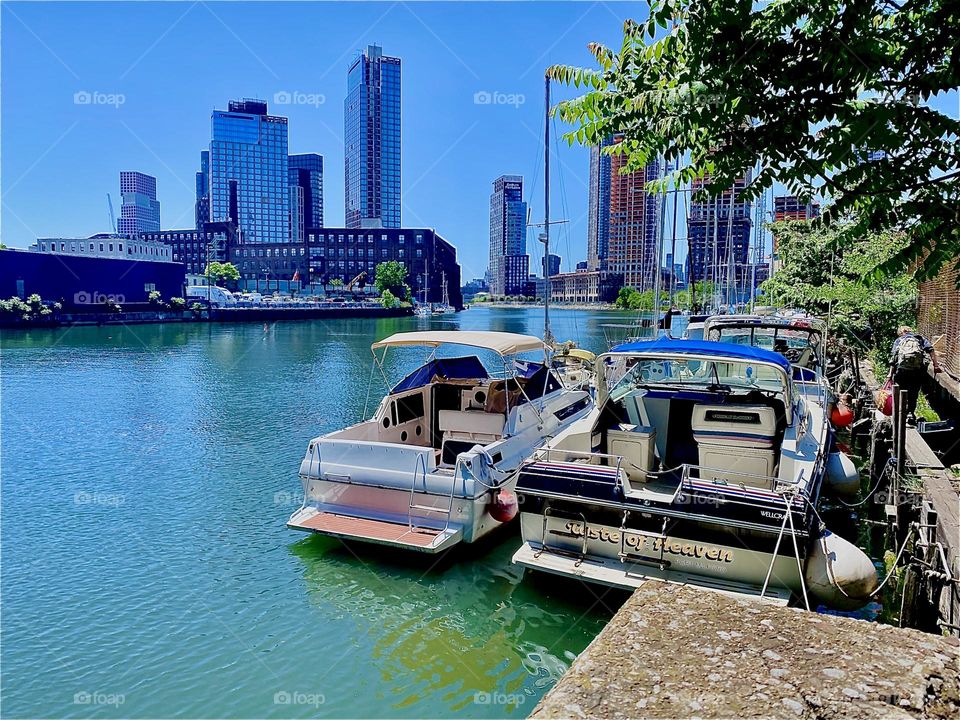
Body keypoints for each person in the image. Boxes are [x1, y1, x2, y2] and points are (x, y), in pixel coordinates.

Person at [887, 325, 941, 426]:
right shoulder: (920, 338)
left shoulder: (899, 340)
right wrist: (936, 365)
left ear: (901, 332)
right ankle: (910, 414)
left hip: (902, 372)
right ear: (910, 331)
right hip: (917, 372)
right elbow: (931, 350)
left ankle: (900, 414)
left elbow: (893, 358)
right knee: (913, 394)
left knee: (901, 392)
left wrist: (890, 374)